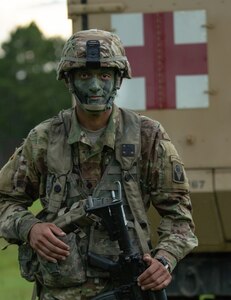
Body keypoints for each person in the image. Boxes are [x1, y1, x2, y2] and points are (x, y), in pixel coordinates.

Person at [0, 29, 198, 300]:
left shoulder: (147, 137)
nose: (95, 86)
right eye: (85, 75)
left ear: (117, 79)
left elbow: (179, 218)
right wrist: (30, 228)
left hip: (129, 290)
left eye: (104, 75)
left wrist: (164, 260)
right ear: (69, 80)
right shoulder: (45, 139)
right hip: (59, 293)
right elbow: (4, 199)